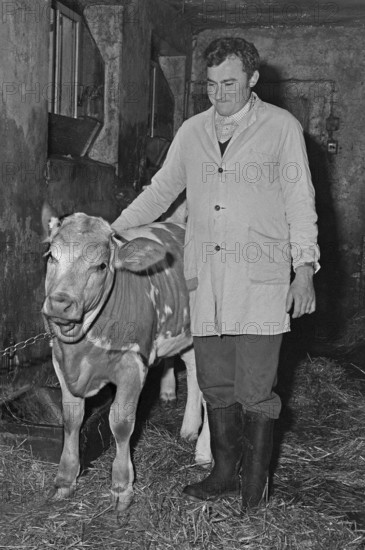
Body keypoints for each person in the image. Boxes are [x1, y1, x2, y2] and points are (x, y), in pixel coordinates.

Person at [111, 37, 320, 511]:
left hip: (261, 281)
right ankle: (224, 474)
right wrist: (112, 233)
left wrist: (304, 269)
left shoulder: (280, 128)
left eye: (229, 83)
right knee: (216, 385)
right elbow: (160, 190)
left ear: (252, 79)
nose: (219, 94)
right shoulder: (192, 131)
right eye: (210, 84)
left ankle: (255, 488)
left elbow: (300, 204)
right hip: (206, 280)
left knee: (254, 390)